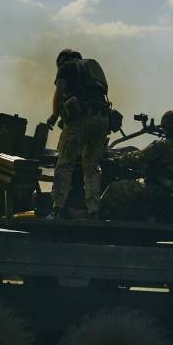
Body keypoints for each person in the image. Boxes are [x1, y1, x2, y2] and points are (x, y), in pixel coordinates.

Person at [46, 49, 112, 219]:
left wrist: (54, 116)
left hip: (82, 118)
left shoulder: (66, 67)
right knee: (91, 167)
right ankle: (93, 210)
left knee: (65, 163)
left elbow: (59, 92)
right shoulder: (91, 69)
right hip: (103, 119)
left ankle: (57, 209)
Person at [105, 110, 173, 222]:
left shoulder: (163, 144)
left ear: (167, 127)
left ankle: (100, 219)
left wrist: (116, 160)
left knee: (115, 188)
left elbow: (138, 159)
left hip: (158, 189)